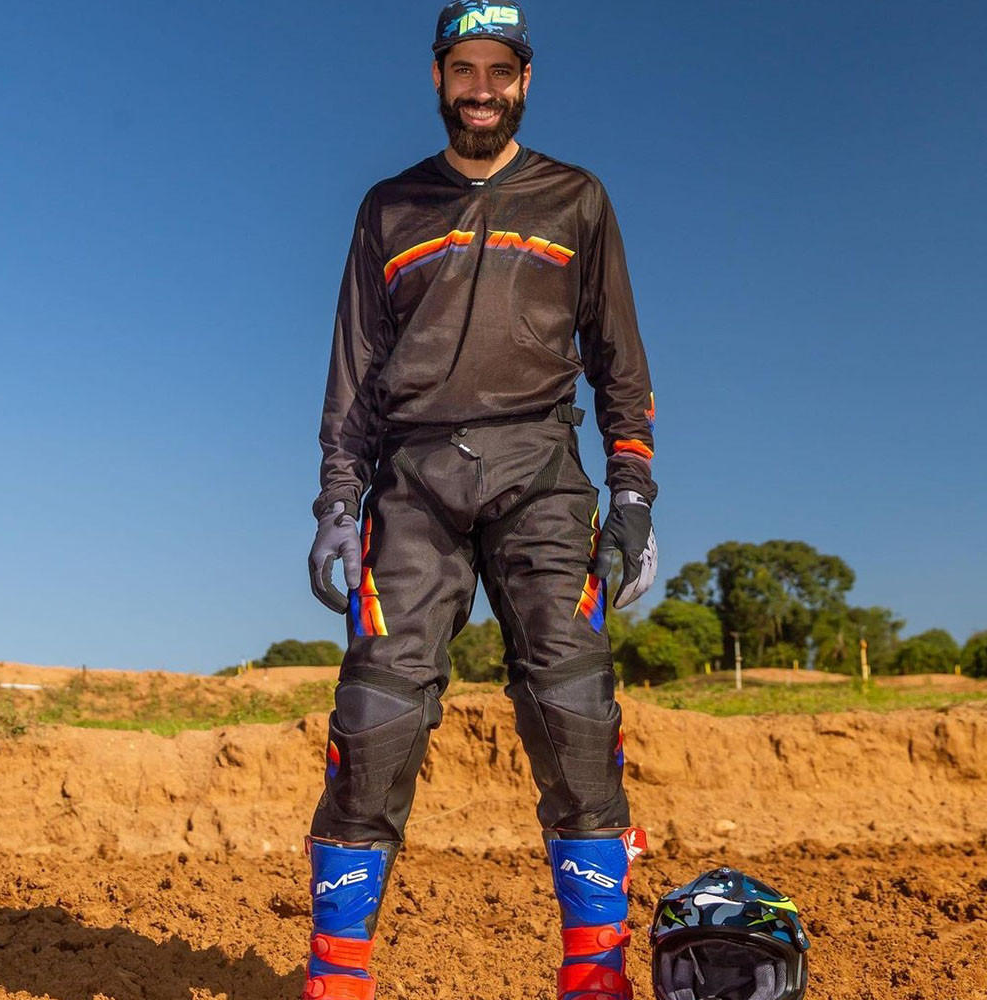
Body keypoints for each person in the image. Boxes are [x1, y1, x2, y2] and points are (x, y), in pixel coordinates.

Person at [304, 4, 658, 998]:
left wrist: (629, 490)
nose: (481, 88)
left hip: (542, 474)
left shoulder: (576, 200)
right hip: (412, 482)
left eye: (499, 71)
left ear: (524, 82)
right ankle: (338, 975)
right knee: (377, 708)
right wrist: (338, 502)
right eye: (464, 68)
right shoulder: (387, 209)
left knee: (574, 706)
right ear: (437, 77)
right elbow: (352, 372)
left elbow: (620, 364)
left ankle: (594, 972)